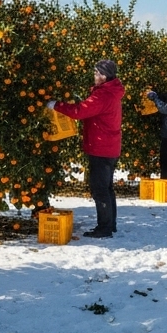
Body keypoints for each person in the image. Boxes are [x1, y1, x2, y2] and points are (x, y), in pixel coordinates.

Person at [51, 60, 125, 238]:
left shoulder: (103, 95)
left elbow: (79, 111)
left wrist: (56, 105)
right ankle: (110, 225)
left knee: (100, 190)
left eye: (96, 72)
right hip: (109, 146)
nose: (94, 75)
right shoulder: (111, 92)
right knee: (107, 188)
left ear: (104, 75)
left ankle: (104, 228)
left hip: (101, 147)